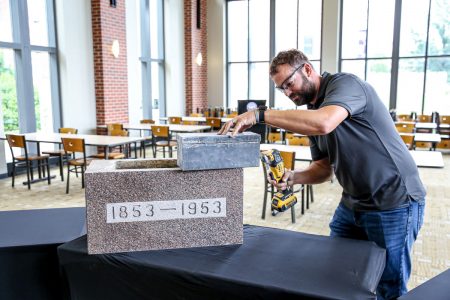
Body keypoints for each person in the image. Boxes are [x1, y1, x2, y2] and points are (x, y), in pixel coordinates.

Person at [218, 49, 426, 300]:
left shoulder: (345, 85)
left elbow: (324, 122)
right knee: (339, 275)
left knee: (387, 286)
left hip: (394, 201)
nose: (287, 93)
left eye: (289, 84)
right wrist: (292, 177)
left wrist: (260, 114)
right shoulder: (312, 111)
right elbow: (324, 168)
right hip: (353, 203)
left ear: (307, 69)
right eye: (281, 89)